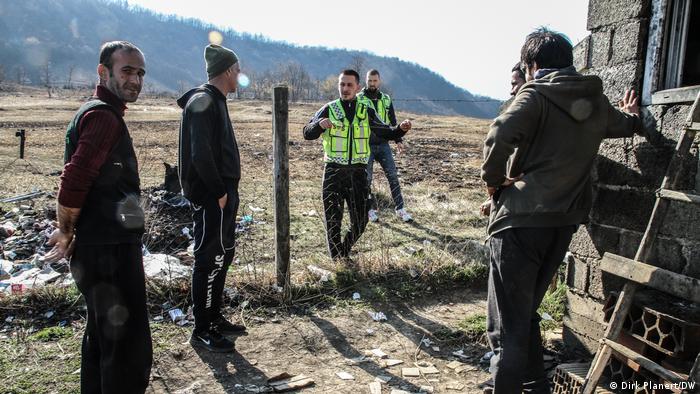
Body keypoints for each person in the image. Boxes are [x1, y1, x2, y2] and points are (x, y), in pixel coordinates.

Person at [480, 28, 644, 393]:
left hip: (519, 225)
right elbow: (622, 125)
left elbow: (500, 132)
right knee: (525, 315)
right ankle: (537, 386)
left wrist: (494, 181)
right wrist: (633, 117)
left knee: (506, 329)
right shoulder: (596, 101)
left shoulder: (534, 96)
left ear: (533, 65)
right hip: (562, 225)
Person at [45, 41, 152, 393]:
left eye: (140, 73)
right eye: (127, 71)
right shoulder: (103, 117)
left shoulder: (95, 113)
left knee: (103, 341)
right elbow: (74, 179)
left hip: (100, 246)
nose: (135, 80)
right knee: (126, 348)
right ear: (103, 72)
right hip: (109, 250)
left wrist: (72, 230)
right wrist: (65, 230)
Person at [177, 43, 246, 353]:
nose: (240, 75)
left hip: (223, 195)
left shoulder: (216, 100)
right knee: (209, 260)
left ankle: (215, 318)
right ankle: (202, 329)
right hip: (212, 197)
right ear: (228, 70)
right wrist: (218, 192)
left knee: (224, 256)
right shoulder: (202, 101)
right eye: (238, 70)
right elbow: (200, 154)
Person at [303, 69, 412, 260]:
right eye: (342, 84)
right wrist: (319, 125)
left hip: (358, 174)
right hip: (334, 173)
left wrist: (400, 130)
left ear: (357, 87)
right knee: (333, 223)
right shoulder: (329, 108)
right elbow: (306, 132)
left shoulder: (365, 110)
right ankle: (338, 261)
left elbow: (385, 131)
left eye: (349, 85)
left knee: (361, 220)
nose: (345, 89)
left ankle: (343, 252)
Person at [357, 69, 412, 223]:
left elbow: (393, 122)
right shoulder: (359, 99)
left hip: (383, 145)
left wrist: (399, 139)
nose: (372, 83)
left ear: (379, 81)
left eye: (374, 81)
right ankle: (369, 210)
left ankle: (400, 209)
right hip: (365, 145)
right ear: (365, 81)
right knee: (366, 179)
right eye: (369, 80)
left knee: (393, 176)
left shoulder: (386, 99)